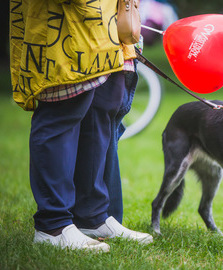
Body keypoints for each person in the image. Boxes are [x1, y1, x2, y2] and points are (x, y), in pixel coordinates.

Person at [9, 0, 152, 252]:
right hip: (65, 22)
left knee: (103, 106)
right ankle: (52, 226)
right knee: (63, 107)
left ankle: (92, 217)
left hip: (109, 20)